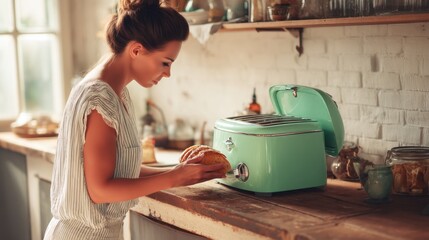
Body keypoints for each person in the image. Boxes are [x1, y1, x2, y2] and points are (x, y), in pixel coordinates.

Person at [43, 0, 226, 239]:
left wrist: (180, 170)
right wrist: (174, 178)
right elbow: (99, 190)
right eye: (165, 63)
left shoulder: (115, 91)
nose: (168, 73)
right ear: (137, 50)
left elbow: (120, 169)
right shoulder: (101, 97)